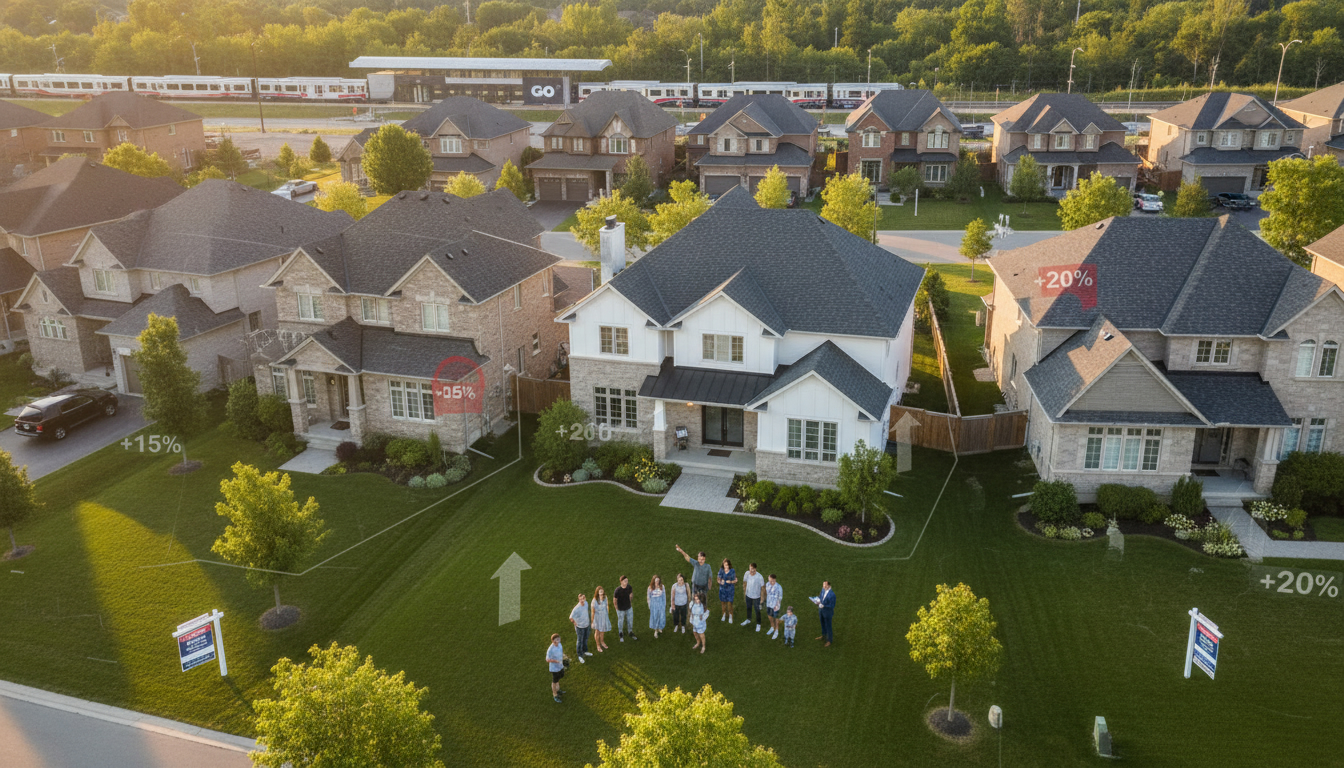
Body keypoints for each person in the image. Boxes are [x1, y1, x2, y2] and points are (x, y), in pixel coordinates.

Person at [740, 563, 765, 631]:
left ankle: (758, 624)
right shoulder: (747, 574)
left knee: (757, 610)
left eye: (753, 570)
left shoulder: (759, 577)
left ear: (755, 569)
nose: (752, 571)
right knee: (748, 608)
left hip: (757, 597)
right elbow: (744, 582)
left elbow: (763, 588)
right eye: (751, 569)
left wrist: (762, 598)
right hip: (748, 595)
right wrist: (745, 592)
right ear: (749, 568)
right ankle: (748, 619)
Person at [613, 576, 639, 642]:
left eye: (627, 581)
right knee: (621, 622)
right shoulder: (617, 590)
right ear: (621, 582)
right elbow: (614, 600)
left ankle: (630, 632)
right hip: (620, 609)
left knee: (630, 621)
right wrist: (616, 608)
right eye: (625, 581)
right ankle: (621, 633)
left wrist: (629, 602)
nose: (626, 582)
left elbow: (631, 595)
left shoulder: (629, 587)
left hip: (628, 608)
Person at [812, 580, 836, 646]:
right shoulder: (823, 590)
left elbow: (832, 605)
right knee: (822, 624)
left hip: (828, 612)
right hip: (821, 611)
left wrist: (824, 606)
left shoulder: (832, 595)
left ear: (829, 586)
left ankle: (829, 640)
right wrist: (817, 601)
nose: (824, 586)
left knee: (828, 626)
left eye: (825, 585)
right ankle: (824, 635)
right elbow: (820, 597)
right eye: (823, 585)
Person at [568, 593, 591, 663]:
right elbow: (570, 617)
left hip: (587, 625)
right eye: (580, 599)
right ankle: (580, 655)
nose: (582, 600)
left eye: (583, 599)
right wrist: (575, 623)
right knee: (580, 641)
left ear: (585, 598)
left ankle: (585, 651)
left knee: (585, 638)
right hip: (580, 627)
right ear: (578, 599)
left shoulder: (586, 603)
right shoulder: (576, 608)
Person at [546, 634, 566, 703]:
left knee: (560, 677)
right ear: (553, 641)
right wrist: (556, 661)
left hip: (560, 666)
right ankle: (555, 694)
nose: (559, 640)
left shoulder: (559, 644)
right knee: (554, 681)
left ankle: (558, 689)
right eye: (557, 639)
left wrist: (565, 657)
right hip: (554, 668)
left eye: (559, 638)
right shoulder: (550, 649)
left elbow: (561, 652)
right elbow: (547, 659)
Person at [591, 586, 612, 652]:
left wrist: (607, 614)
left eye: (602, 590)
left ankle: (602, 642)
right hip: (597, 617)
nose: (601, 592)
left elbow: (607, 605)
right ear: (597, 592)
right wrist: (592, 620)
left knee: (603, 630)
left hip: (604, 616)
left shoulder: (605, 598)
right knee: (597, 631)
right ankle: (598, 645)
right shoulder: (595, 600)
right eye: (600, 591)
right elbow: (593, 611)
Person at [717, 559, 737, 623]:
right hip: (722, 590)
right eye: (724, 565)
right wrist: (720, 581)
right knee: (723, 604)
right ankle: (724, 614)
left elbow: (735, 580)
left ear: (729, 565)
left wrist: (730, 581)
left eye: (727, 565)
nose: (726, 566)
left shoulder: (732, 571)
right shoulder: (721, 570)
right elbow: (718, 579)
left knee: (729, 604)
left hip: (730, 590)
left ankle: (730, 616)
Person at [764, 573, 783, 639]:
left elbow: (780, 598)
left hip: (775, 606)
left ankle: (776, 630)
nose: (769, 581)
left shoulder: (778, 587)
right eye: (769, 579)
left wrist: (777, 606)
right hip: (769, 604)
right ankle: (772, 627)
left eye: (770, 580)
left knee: (776, 618)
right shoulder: (767, 584)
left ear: (774, 580)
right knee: (769, 616)